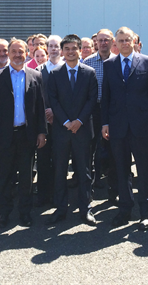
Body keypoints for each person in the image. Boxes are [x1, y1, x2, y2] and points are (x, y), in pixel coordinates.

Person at [101, 27, 148, 231]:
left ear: (134, 41)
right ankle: (125, 209)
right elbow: (106, 97)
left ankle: (146, 212)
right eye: (121, 40)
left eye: (128, 40)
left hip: (141, 125)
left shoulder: (146, 61)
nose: (124, 43)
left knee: (143, 169)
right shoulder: (109, 65)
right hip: (117, 126)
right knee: (121, 169)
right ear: (115, 43)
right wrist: (105, 123)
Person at [0, 39, 47, 228]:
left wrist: (42, 132)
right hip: (5, 136)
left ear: (26, 53)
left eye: (21, 51)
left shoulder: (36, 76)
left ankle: (25, 213)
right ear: (8, 53)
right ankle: (4, 213)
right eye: (13, 51)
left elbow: (40, 107)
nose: (17, 55)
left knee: (26, 178)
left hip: (27, 135)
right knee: (5, 176)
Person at [47, 35, 98, 226]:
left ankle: (86, 209)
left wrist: (79, 121)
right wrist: (67, 122)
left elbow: (92, 100)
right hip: (62, 130)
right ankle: (61, 209)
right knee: (60, 171)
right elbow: (53, 100)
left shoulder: (89, 72)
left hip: (82, 129)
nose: (70, 52)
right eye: (67, 48)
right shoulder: (55, 73)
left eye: (74, 48)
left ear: (80, 50)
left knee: (84, 171)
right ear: (62, 51)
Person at [83, 29, 117, 199]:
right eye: (100, 40)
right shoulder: (88, 62)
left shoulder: (118, 61)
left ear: (112, 42)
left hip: (112, 110)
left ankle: (113, 188)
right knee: (91, 147)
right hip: (93, 109)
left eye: (106, 40)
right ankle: (90, 186)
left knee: (112, 148)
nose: (103, 43)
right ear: (96, 42)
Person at [34, 35, 62, 208]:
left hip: (61, 122)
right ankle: (43, 195)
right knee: (43, 160)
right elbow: (37, 97)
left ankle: (57, 195)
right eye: (50, 46)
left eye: (56, 46)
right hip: (43, 122)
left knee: (59, 160)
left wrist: (56, 112)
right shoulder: (39, 70)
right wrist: (45, 112)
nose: (53, 49)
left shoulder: (66, 68)